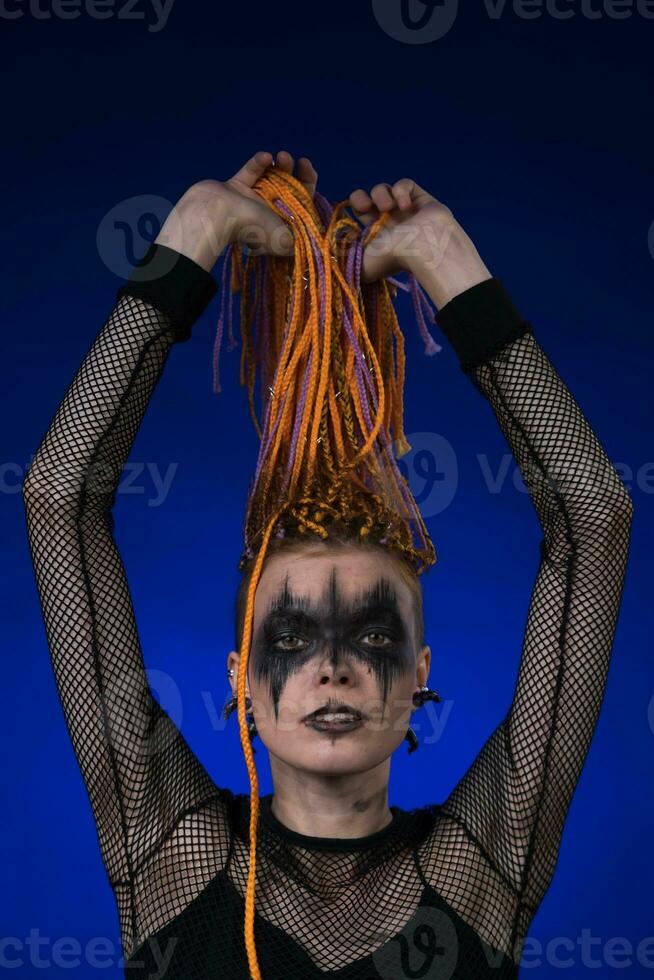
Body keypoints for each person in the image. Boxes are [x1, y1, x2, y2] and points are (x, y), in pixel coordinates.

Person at [22, 150, 634, 979]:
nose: (335, 669)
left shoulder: (481, 866)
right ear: (239, 672)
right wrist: (197, 226)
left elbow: (593, 520)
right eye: (293, 636)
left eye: (375, 637)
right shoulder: (173, 853)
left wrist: (443, 254)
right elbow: (61, 497)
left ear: (421, 671)